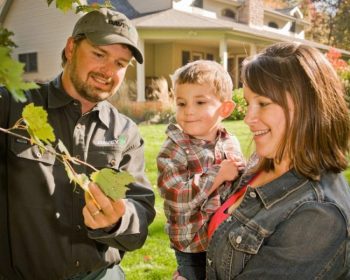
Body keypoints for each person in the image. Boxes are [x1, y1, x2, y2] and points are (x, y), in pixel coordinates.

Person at [0, 8, 155, 280]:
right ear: (71, 48)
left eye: (121, 63)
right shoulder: (11, 106)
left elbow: (140, 214)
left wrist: (118, 220)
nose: (109, 71)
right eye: (99, 54)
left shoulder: (126, 132)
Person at [206, 42, 350, 279]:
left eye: (263, 104)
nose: (249, 118)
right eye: (249, 103)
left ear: (308, 106)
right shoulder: (262, 163)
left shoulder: (319, 216)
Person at [157, 60, 245, 280]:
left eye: (199, 102)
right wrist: (219, 174)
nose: (188, 112)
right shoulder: (174, 147)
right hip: (193, 247)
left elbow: (241, 188)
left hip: (227, 239)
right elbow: (177, 198)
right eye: (181, 103)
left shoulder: (230, 141)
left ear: (225, 108)